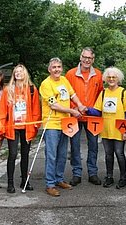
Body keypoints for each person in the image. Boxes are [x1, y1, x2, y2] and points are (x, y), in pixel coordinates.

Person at [39, 57, 86, 197]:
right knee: (51, 155)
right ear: (49, 69)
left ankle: (59, 179)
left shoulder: (64, 80)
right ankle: (50, 184)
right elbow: (53, 104)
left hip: (65, 123)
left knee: (62, 154)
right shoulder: (46, 84)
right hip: (52, 123)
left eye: (59, 67)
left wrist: (80, 105)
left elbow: (73, 95)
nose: (57, 69)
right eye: (54, 67)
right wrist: (72, 111)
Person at [0, 64, 41, 193]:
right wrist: (1, 126)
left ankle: (24, 181)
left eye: (20, 71)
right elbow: (2, 110)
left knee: (25, 154)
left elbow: (36, 109)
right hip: (12, 127)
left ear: (25, 73)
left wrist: (35, 126)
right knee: (13, 154)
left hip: (27, 127)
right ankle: (10, 183)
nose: (18, 73)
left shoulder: (32, 89)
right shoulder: (8, 89)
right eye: (16, 72)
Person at [86, 67, 126, 189]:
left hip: (119, 129)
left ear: (118, 79)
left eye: (114, 77)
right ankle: (109, 176)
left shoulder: (123, 93)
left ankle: (123, 178)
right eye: (109, 77)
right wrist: (86, 109)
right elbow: (97, 111)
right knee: (108, 155)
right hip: (106, 129)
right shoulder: (103, 93)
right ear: (106, 79)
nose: (111, 79)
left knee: (119, 153)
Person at [65, 47, 104, 186]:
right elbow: (66, 94)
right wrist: (72, 108)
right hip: (75, 116)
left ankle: (92, 172)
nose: (87, 60)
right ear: (80, 57)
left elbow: (101, 95)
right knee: (75, 145)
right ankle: (77, 173)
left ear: (93, 59)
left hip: (92, 117)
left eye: (90, 58)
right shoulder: (70, 74)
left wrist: (96, 110)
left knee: (93, 145)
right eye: (84, 57)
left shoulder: (99, 74)